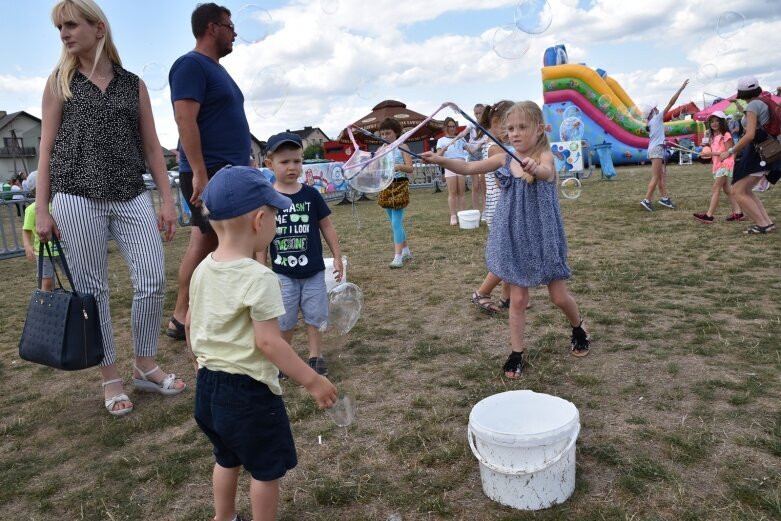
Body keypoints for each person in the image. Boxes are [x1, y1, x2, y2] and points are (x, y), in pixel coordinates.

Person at [36, 0, 182, 416]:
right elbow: (45, 150)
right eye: (59, 28)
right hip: (75, 195)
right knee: (93, 291)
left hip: (131, 192)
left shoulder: (131, 84)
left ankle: (145, 363)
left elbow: (152, 146)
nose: (64, 33)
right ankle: (111, 377)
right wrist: (41, 208)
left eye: (71, 24)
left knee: (153, 278)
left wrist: (167, 200)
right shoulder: (58, 83)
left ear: (98, 28)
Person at [187, 166, 337, 521]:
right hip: (248, 393)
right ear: (258, 220)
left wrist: (200, 364)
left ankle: (222, 518)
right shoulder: (260, 277)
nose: (275, 223)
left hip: (208, 387)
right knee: (265, 470)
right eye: (274, 216)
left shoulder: (203, 268)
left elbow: (193, 324)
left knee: (226, 458)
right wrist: (312, 380)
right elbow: (270, 343)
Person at [422, 101, 590, 378]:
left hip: (544, 236)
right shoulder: (504, 158)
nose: (515, 133)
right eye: (510, 128)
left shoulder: (545, 155)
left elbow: (546, 172)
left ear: (538, 129)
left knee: (558, 296)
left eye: (522, 127)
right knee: (518, 299)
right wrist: (440, 160)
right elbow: (468, 168)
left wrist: (535, 169)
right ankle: (516, 353)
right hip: (513, 235)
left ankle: (578, 327)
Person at [167, 2, 251, 341]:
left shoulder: (216, 69)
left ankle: (182, 316)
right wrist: (199, 172)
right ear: (212, 27)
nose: (235, 34)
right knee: (213, 243)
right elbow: (184, 118)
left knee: (205, 241)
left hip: (226, 169)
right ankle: (184, 315)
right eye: (230, 27)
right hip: (211, 171)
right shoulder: (191, 65)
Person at [259, 132, 343, 376]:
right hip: (282, 274)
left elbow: (326, 225)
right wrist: (261, 269)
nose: (292, 167)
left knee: (315, 317)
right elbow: (261, 239)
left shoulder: (311, 194)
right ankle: (284, 359)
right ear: (270, 164)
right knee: (284, 320)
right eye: (285, 162)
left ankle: (315, 357)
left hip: (313, 271)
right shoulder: (267, 198)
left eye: (296, 161)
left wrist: (337, 256)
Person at [469, 100, 515, 313]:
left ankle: (507, 297)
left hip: (507, 208)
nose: (514, 131)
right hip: (500, 209)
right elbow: (501, 180)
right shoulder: (494, 148)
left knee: (512, 252)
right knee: (506, 254)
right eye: (511, 125)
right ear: (496, 122)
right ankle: (482, 293)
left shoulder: (503, 145)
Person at [719, 76, 777, 234]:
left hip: (757, 153)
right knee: (745, 190)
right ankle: (766, 223)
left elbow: (750, 134)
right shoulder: (762, 102)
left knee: (737, 191)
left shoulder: (753, 106)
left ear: (742, 92)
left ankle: (763, 224)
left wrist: (730, 151)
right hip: (768, 150)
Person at [640, 79, 689, 212]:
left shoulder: (650, 123)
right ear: (653, 111)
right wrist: (681, 89)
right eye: (655, 108)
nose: (657, 109)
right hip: (656, 150)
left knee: (660, 176)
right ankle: (647, 200)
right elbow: (671, 103)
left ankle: (665, 198)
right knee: (656, 176)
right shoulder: (657, 118)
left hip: (654, 149)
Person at [693, 111, 743, 223]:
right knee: (727, 189)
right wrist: (705, 154)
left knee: (716, 188)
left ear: (722, 122)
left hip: (725, 164)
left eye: (716, 121)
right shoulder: (712, 136)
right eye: (712, 121)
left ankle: (709, 215)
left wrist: (710, 154)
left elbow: (729, 152)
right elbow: (714, 151)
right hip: (717, 165)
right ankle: (738, 212)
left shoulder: (726, 135)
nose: (714, 123)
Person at [376, 117, 413, 268]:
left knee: (396, 222)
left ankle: (398, 256)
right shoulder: (381, 149)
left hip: (399, 186)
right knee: (393, 222)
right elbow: (377, 167)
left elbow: (410, 168)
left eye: (388, 133)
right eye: (382, 134)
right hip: (385, 186)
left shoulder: (403, 147)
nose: (385, 136)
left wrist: (398, 166)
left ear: (396, 132)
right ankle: (406, 251)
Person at [22, 172, 62, 291]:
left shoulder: (58, 205)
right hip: (44, 252)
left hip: (64, 249)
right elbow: (26, 229)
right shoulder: (31, 210)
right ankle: (45, 303)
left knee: (75, 275)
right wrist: (27, 245)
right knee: (47, 281)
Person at [437, 116, 468, 225]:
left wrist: (481, 142)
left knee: (461, 192)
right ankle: (453, 216)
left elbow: (471, 149)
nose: (452, 128)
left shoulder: (461, 139)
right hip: (449, 165)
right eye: (450, 126)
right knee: (452, 192)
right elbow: (438, 156)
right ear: (445, 127)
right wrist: (444, 148)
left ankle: (462, 215)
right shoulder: (441, 141)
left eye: (454, 126)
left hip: (461, 164)